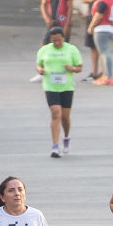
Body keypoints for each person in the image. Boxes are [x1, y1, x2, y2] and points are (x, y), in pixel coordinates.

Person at [36, 25, 82, 158]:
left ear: (63, 38)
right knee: (56, 113)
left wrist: (71, 68)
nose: (56, 43)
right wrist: (40, 69)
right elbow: (39, 64)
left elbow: (79, 68)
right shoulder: (44, 50)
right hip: (50, 86)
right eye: (54, 40)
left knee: (65, 117)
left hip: (67, 86)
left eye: (59, 40)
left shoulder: (71, 49)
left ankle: (66, 137)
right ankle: (55, 146)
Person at [80, 0, 113, 76]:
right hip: (90, 13)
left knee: (102, 47)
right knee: (92, 46)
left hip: (99, 15)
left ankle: (105, 73)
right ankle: (94, 72)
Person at [89, 0, 113, 85]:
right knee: (105, 53)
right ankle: (106, 75)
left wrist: (90, 26)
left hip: (102, 28)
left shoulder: (103, 0)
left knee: (104, 53)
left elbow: (98, 15)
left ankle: (108, 77)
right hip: (109, 27)